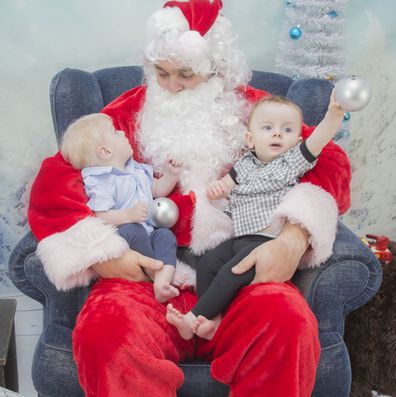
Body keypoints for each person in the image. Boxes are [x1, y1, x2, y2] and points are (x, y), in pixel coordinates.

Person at [27, 0, 351, 396]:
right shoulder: (125, 115)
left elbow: (329, 160)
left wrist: (293, 237)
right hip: (148, 277)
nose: (172, 85)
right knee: (105, 327)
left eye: (186, 74)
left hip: (239, 274)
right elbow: (54, 183)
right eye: (161, 72)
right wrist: (108, 252)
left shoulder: (258, 113)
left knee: (288, 320)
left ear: (216, 68)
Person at [166, 94, 345, 340]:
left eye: (287, 129)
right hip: (242, 236)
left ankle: (192, 318)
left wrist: (333, 115)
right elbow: (226, 184)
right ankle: (212, 320)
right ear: (250, 139)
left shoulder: (290, 162)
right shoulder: (245, 164)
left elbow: (318, 140)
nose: (277, 134)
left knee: (233, 272)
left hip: (267, 239)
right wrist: (218, 188)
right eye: (268, 128)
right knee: (207, 264)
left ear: (297, 141)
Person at [60, 112, 183, 302]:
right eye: (116, 133)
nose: (123, 134)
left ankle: (163, 282)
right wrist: (127, 215)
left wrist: (172, 175)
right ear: (106, 152)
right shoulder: (101, 180)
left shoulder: (136, 168)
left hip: (150, 232)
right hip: (127, 238)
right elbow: (101, 216)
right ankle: (154, 273)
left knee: (165, 235)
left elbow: (158, 190)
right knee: (132, 230)